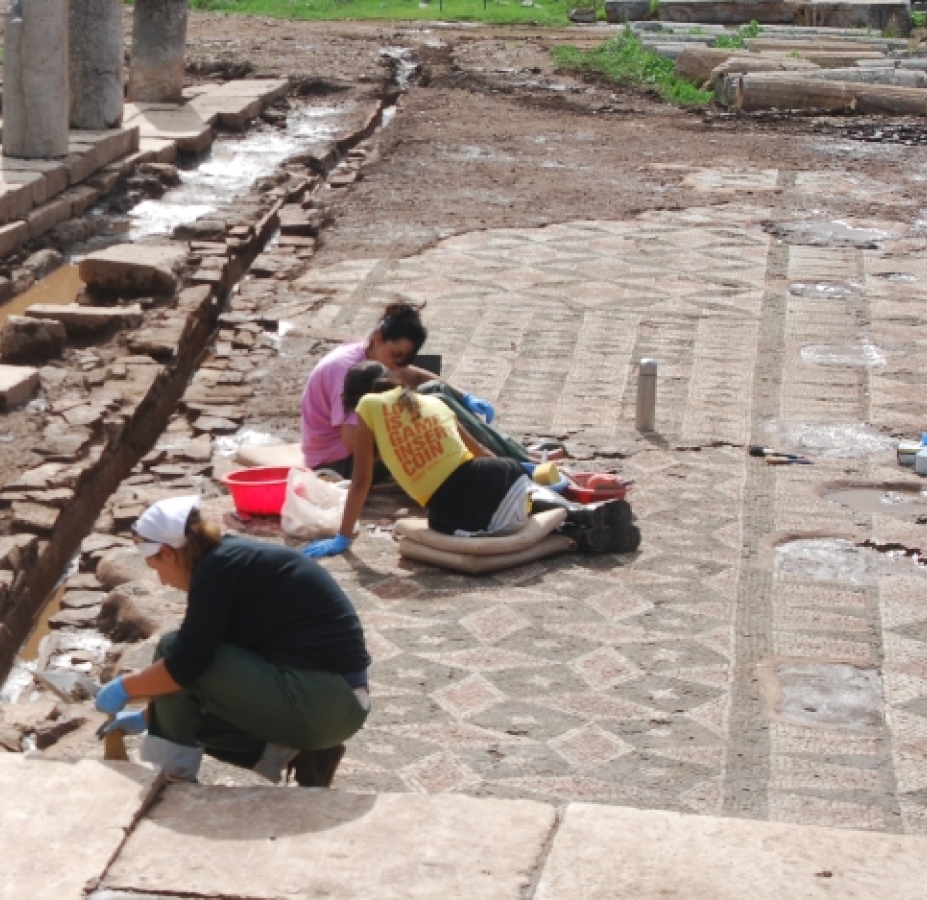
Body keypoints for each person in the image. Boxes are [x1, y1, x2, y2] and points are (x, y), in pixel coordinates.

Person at [94, 495, 371, 787]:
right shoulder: (231, 562)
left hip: (322, 700)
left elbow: (184, 664)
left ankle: (175, 784)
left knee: (173, 649)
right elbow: (209, 667)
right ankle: (300, 757)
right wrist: (151, 717)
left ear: (168, 553)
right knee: (186, 704)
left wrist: (125, 687)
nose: (162, 581)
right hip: (339, 705)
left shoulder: (218, 569)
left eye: (155, 567)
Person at [302, 361, 638, 559]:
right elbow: (483, 452)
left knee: (469, 520)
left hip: (457, 509)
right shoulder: (431, 402)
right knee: (512, 494)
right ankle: (583, 516)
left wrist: (343, 537)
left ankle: (578, 527)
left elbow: (360, 481)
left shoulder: (367, 408)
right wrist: (530, 472)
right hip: (499, 477)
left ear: (356, 397)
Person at [299, 302, 441, 477]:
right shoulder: (346, 371)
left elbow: (416, 376)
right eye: (396, 355)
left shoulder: (374, 352)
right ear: (379, 339)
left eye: (403, 359)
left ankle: (481, 450)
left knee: (437, 392)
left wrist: (465, 397)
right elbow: (354, 445)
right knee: (432, 448)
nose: (398, 365)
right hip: (338, 462)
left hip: (355, 445)